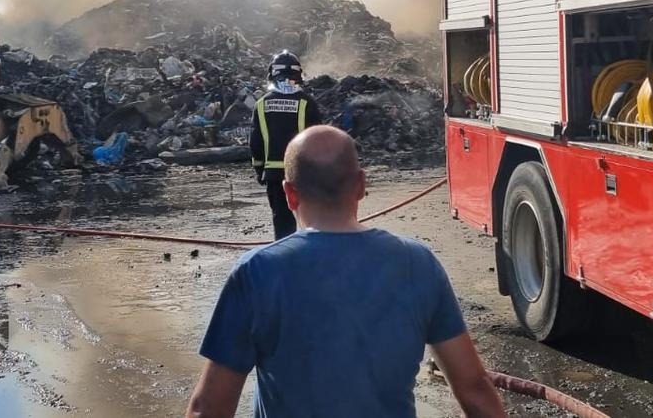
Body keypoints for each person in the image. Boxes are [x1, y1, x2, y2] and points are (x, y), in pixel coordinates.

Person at [186, 126, 505, 418]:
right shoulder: (418, 264)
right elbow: (475, 392)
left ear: (289, 193)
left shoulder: (256, 273)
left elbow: (208, 409)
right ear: (361, 185)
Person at [248, 50, 321, 240]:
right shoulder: (307, 103)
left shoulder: (261, 104)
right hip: (302, 174)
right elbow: (317, 140)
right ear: (298, 74)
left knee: (282, 223)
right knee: (312, 221)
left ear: (272, 73)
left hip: (273, 174)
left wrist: (259, 169)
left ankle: (284, 260)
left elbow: (255, 141)